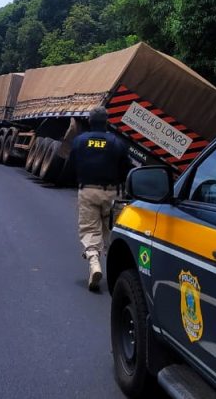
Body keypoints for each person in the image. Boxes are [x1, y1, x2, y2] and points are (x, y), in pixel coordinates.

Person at [69, 106, 132, 292]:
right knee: (111, 232)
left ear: (89, 121)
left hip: (88, 191)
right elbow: (126, 169)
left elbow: (72, 164)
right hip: (112, 193)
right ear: (107, 121)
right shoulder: (116, 143)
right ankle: (117, 273)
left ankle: (95, 264)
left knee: (89, 230)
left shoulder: (80, 141)